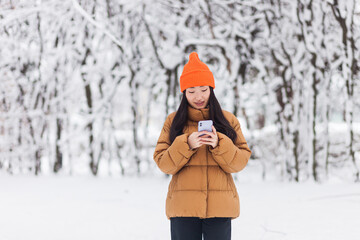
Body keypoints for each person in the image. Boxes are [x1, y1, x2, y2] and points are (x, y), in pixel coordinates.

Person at [153, 52, 252, 240]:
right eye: (191, 91)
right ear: (183, 93)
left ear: (211, 89)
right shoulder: (173, 122)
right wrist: (186, 144)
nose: (198, 96)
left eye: (203, 89)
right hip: (183, 208)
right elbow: (163, 163)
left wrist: (219, 144)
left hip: (220, 208)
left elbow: (239, 163)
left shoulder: (228, 120)